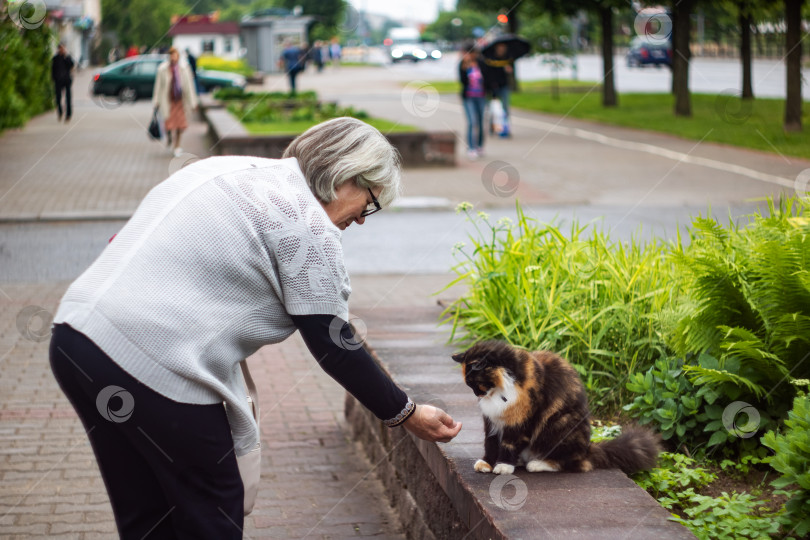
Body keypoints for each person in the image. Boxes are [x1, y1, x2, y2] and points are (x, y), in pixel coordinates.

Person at [49, 117, 462, 539]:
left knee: (146, 512)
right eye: (370, 203)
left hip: (76, 337)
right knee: (213, 506)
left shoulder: (230, 169)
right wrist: (407, 413)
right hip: (153, 359)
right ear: (347, 176)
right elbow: (336, 345)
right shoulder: (305, 223)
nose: (361, 221)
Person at [152, 47, 198, 157]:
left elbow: (189, 86)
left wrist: (193, 102)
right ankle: (169, 137)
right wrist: (156, 101)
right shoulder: (163, 69)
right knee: (169, 124)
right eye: (171, 55)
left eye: (175, 55)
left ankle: (177, 145)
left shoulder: (184, 68)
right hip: (167, 100)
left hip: (180, 101)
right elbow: (158, 86)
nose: (173, 57)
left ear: (178, 56)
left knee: (180, 125)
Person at [458, 45, 488, 159]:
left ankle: (479, 145)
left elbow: (487, 78)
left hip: (481, 96)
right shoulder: (462, 64)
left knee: (480, 122)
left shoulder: (481, 63)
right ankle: (471, 147)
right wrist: (466, 67)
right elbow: (462, 81)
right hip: (469, 97)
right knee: (472, 122)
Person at [481, 42, 514, 138]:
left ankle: (505, 128)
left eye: (503, 47)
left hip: (503, 86)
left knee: (505, 108)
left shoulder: (508, 58)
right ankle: (493, 127)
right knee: (492, 109)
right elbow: (487, 74)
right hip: (492, 87)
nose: (502, 49)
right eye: (500, 47)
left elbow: (510, 73)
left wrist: (509, 70)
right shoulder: (489, 59)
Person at [51, 43, 74, 123]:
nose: (62, 50)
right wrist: (53, 79)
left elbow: (71, 65)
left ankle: (68, 114)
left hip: (67, 80)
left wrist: (65, 56)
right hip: (58, 81)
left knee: (68, 98)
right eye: (60, 48)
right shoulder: (55, 58)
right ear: (58, 49)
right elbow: (53, 70)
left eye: (63, 48)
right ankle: (60, 112)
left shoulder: (67, 57)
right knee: (58, 98)